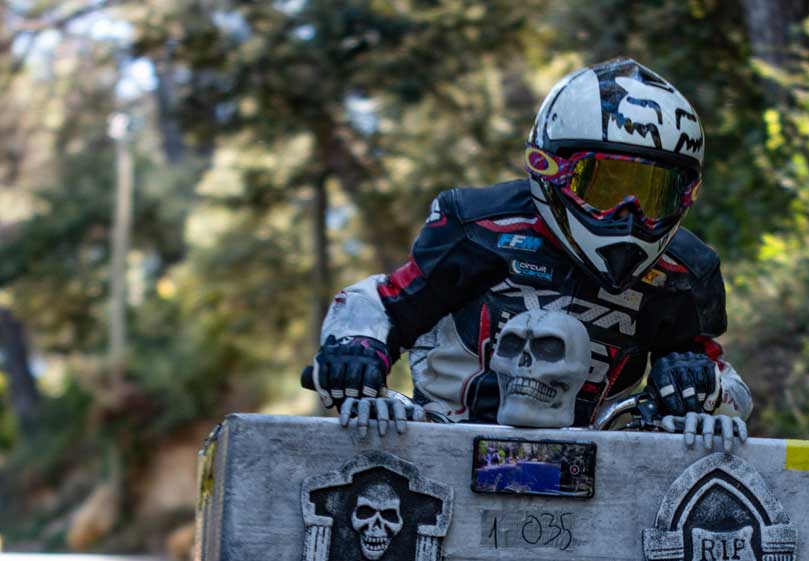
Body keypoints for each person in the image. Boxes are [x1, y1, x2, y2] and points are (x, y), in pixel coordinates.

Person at [309, 57, 752, 448]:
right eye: (605, 185)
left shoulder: (685, 270)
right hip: (441, 438)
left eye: (655, 193)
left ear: (686, 195)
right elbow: (385, 301)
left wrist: (701, 384)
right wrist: (357, 348)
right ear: (549, 167)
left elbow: (728, 387)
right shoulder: (476, 226)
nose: (628, 214)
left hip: (601, 462)